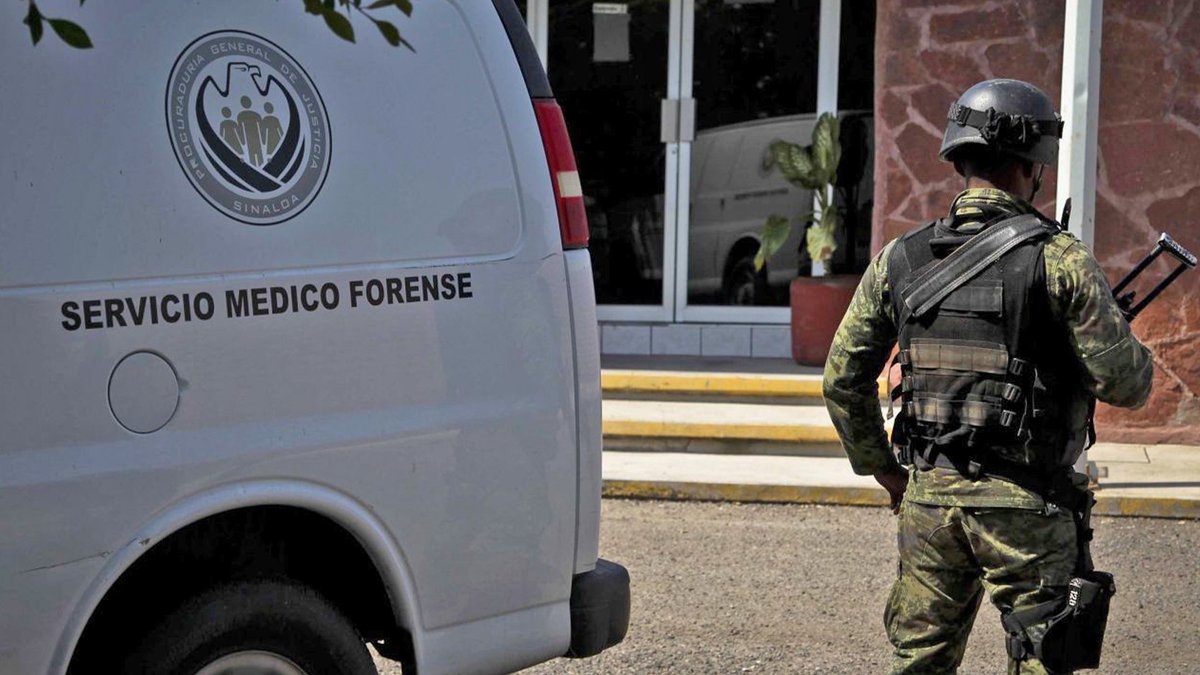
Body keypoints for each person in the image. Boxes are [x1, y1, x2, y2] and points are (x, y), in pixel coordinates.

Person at [822, 78, 1153, 674]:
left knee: (918, 662)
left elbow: (842, 379)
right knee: (1042, 659)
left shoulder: (900, 258)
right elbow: (1127, 385)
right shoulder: (1060, 258)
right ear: (1035, 168)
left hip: (929, 501)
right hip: (1030, 505)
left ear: (960, 159)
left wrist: (887, 473)